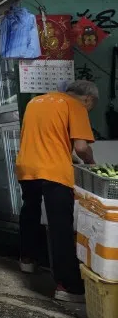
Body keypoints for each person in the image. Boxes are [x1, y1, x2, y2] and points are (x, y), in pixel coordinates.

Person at [15, 79, 97, 302]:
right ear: (88, 99)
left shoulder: (36, 101)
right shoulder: (76, 106)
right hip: (54, 172)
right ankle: (67, 286)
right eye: (91, 106)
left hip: (27, 166)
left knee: (30, 211)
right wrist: (91, 163)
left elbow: (48, 139)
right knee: (60, 225)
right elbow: (81, 147)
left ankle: (27, 260)